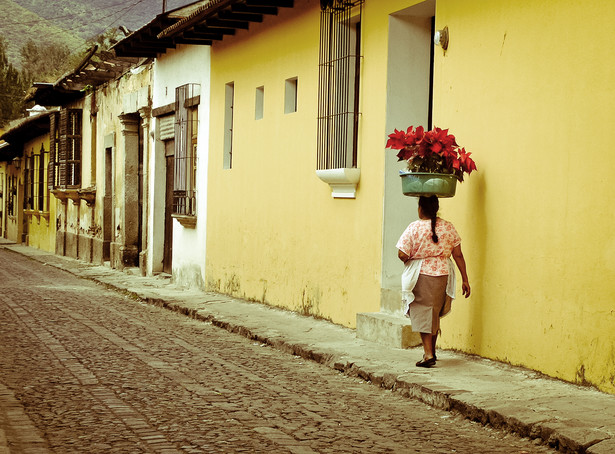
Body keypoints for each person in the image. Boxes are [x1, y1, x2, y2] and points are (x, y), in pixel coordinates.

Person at [396, 195, 470, 368]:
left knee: (422, 312)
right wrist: (465, 279)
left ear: (420, 208)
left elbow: (402, 253)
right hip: (443, 274)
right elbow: (458, 254)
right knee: (434, 313)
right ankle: (432, 351)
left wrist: (411, 258)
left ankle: (428, 354)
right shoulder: (448, 227)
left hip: (421, 274)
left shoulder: (414, 228)